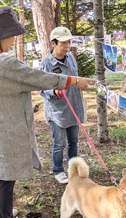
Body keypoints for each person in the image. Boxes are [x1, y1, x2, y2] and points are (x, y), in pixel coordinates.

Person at [0, 7, 95, 218]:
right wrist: (74, 80)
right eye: (13, 36)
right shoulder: (1, 63)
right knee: (5, 176)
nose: (14, 40)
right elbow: (37, 77)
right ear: (2, 36)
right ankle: (4, 217)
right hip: (4, 128)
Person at [38, 27, 84, 184]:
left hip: (74, 107)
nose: (67, 47)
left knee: (74, 141)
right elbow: (41, 88)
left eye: (69, 43)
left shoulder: (70, 57)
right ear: (53, 43)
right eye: (63, 43)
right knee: (59, 143)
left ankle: (73, 169)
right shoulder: (46, 64)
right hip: (57, 111)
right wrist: (54, 92)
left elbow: (75, 79)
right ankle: (58, 170)